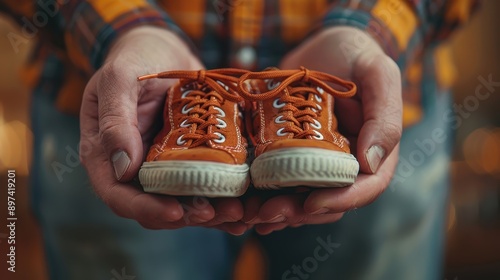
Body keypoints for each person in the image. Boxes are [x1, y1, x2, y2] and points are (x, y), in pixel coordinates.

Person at [0, 0, 478, 279]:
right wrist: (120, 31)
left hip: (364, 99)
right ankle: (194, 105)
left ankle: (300, 103)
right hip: (126, 94)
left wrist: (371, 29)